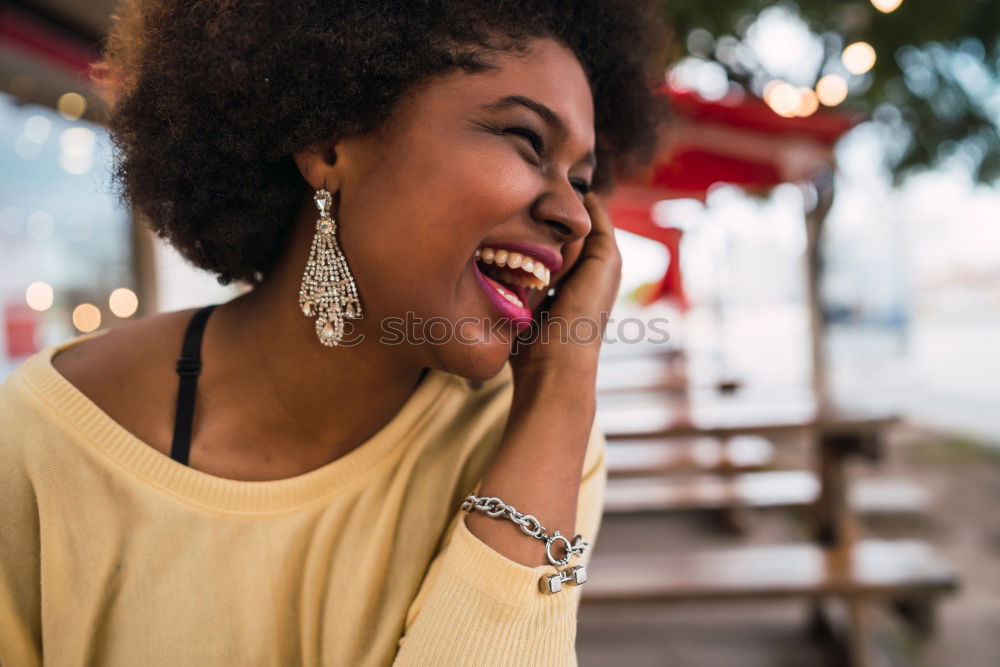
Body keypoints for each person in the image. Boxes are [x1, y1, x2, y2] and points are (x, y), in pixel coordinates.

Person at [0, 0, 669, 664]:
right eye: (527, 142)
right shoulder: (44, 445)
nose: (574, 216)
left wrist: (561, 383)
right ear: (327, 144)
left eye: (582, 182)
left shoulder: (537, 439)